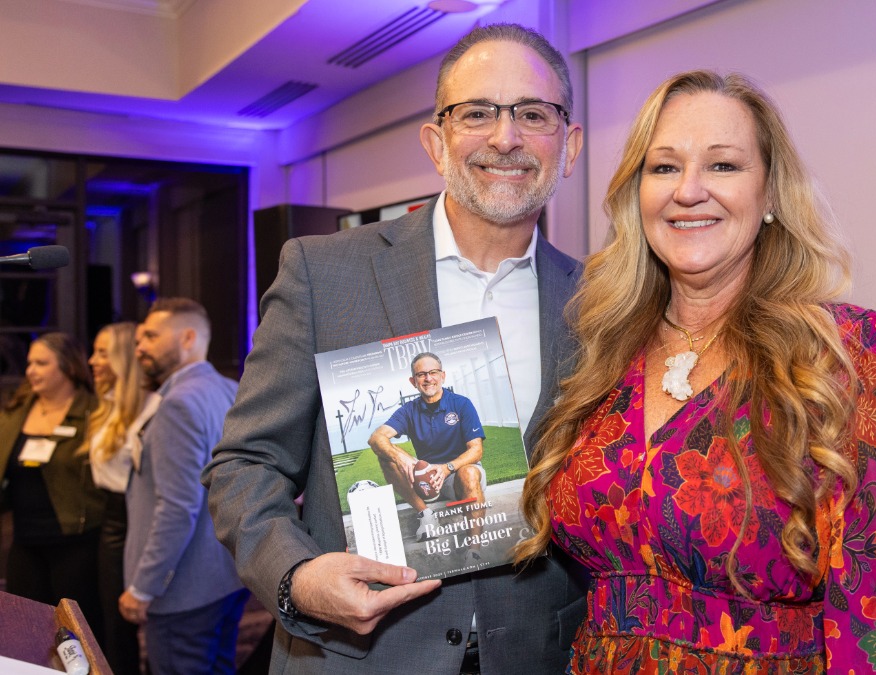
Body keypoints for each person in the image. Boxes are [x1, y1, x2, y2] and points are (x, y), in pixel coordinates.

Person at [517, 70, 876, 674]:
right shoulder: (602, 351)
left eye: (723, 166)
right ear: (634, 194)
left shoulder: (851, 357)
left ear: (771, 194)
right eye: (663, 167)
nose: (689, 190)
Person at [203, 23, 587, 674]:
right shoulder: (323, 273)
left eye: (532, 113)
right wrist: (297, 576)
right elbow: (244, 464)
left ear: (569, 146)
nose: (506, 137)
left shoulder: (601, 304)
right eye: (477, 113)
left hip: (539, 655)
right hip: (353, 655)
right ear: (436, 143)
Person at [119, 298, 248, 674]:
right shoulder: (229, 388)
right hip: (226, 574)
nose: (139, 346)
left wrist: (144, 586)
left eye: (151, 336)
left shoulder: (178, 403)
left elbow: (177, 506)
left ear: (188, 338)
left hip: (185, 588)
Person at [0, 333, 105, 634]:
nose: (31, 370)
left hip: (75, 544)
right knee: (25, 630)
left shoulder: (93, 413)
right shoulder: (14, 412)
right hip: (25, 540)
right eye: (30, 362)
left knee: (77, 632)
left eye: (42, 363)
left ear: (68, 367)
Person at [88, 322, 156, 675]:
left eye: (103, 352)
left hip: (132, 519)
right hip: (106, 518)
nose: (92, 360)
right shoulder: (107, 403)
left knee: (128, 623)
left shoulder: (153, 408)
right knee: (109, 624)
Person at [368, 352, 487, 525]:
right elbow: (376, 438)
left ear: (442, 376)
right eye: (421, 374)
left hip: (459, 474)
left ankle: (475, 550)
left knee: (468, 472)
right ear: (413, 381)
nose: (428, 378)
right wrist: (401, 459)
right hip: (427, 479)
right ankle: (426, 515)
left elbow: (476, 450)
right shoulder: (409, 410)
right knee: (386, 457)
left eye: (433, 372)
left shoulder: (461, 404)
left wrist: (447, 468)